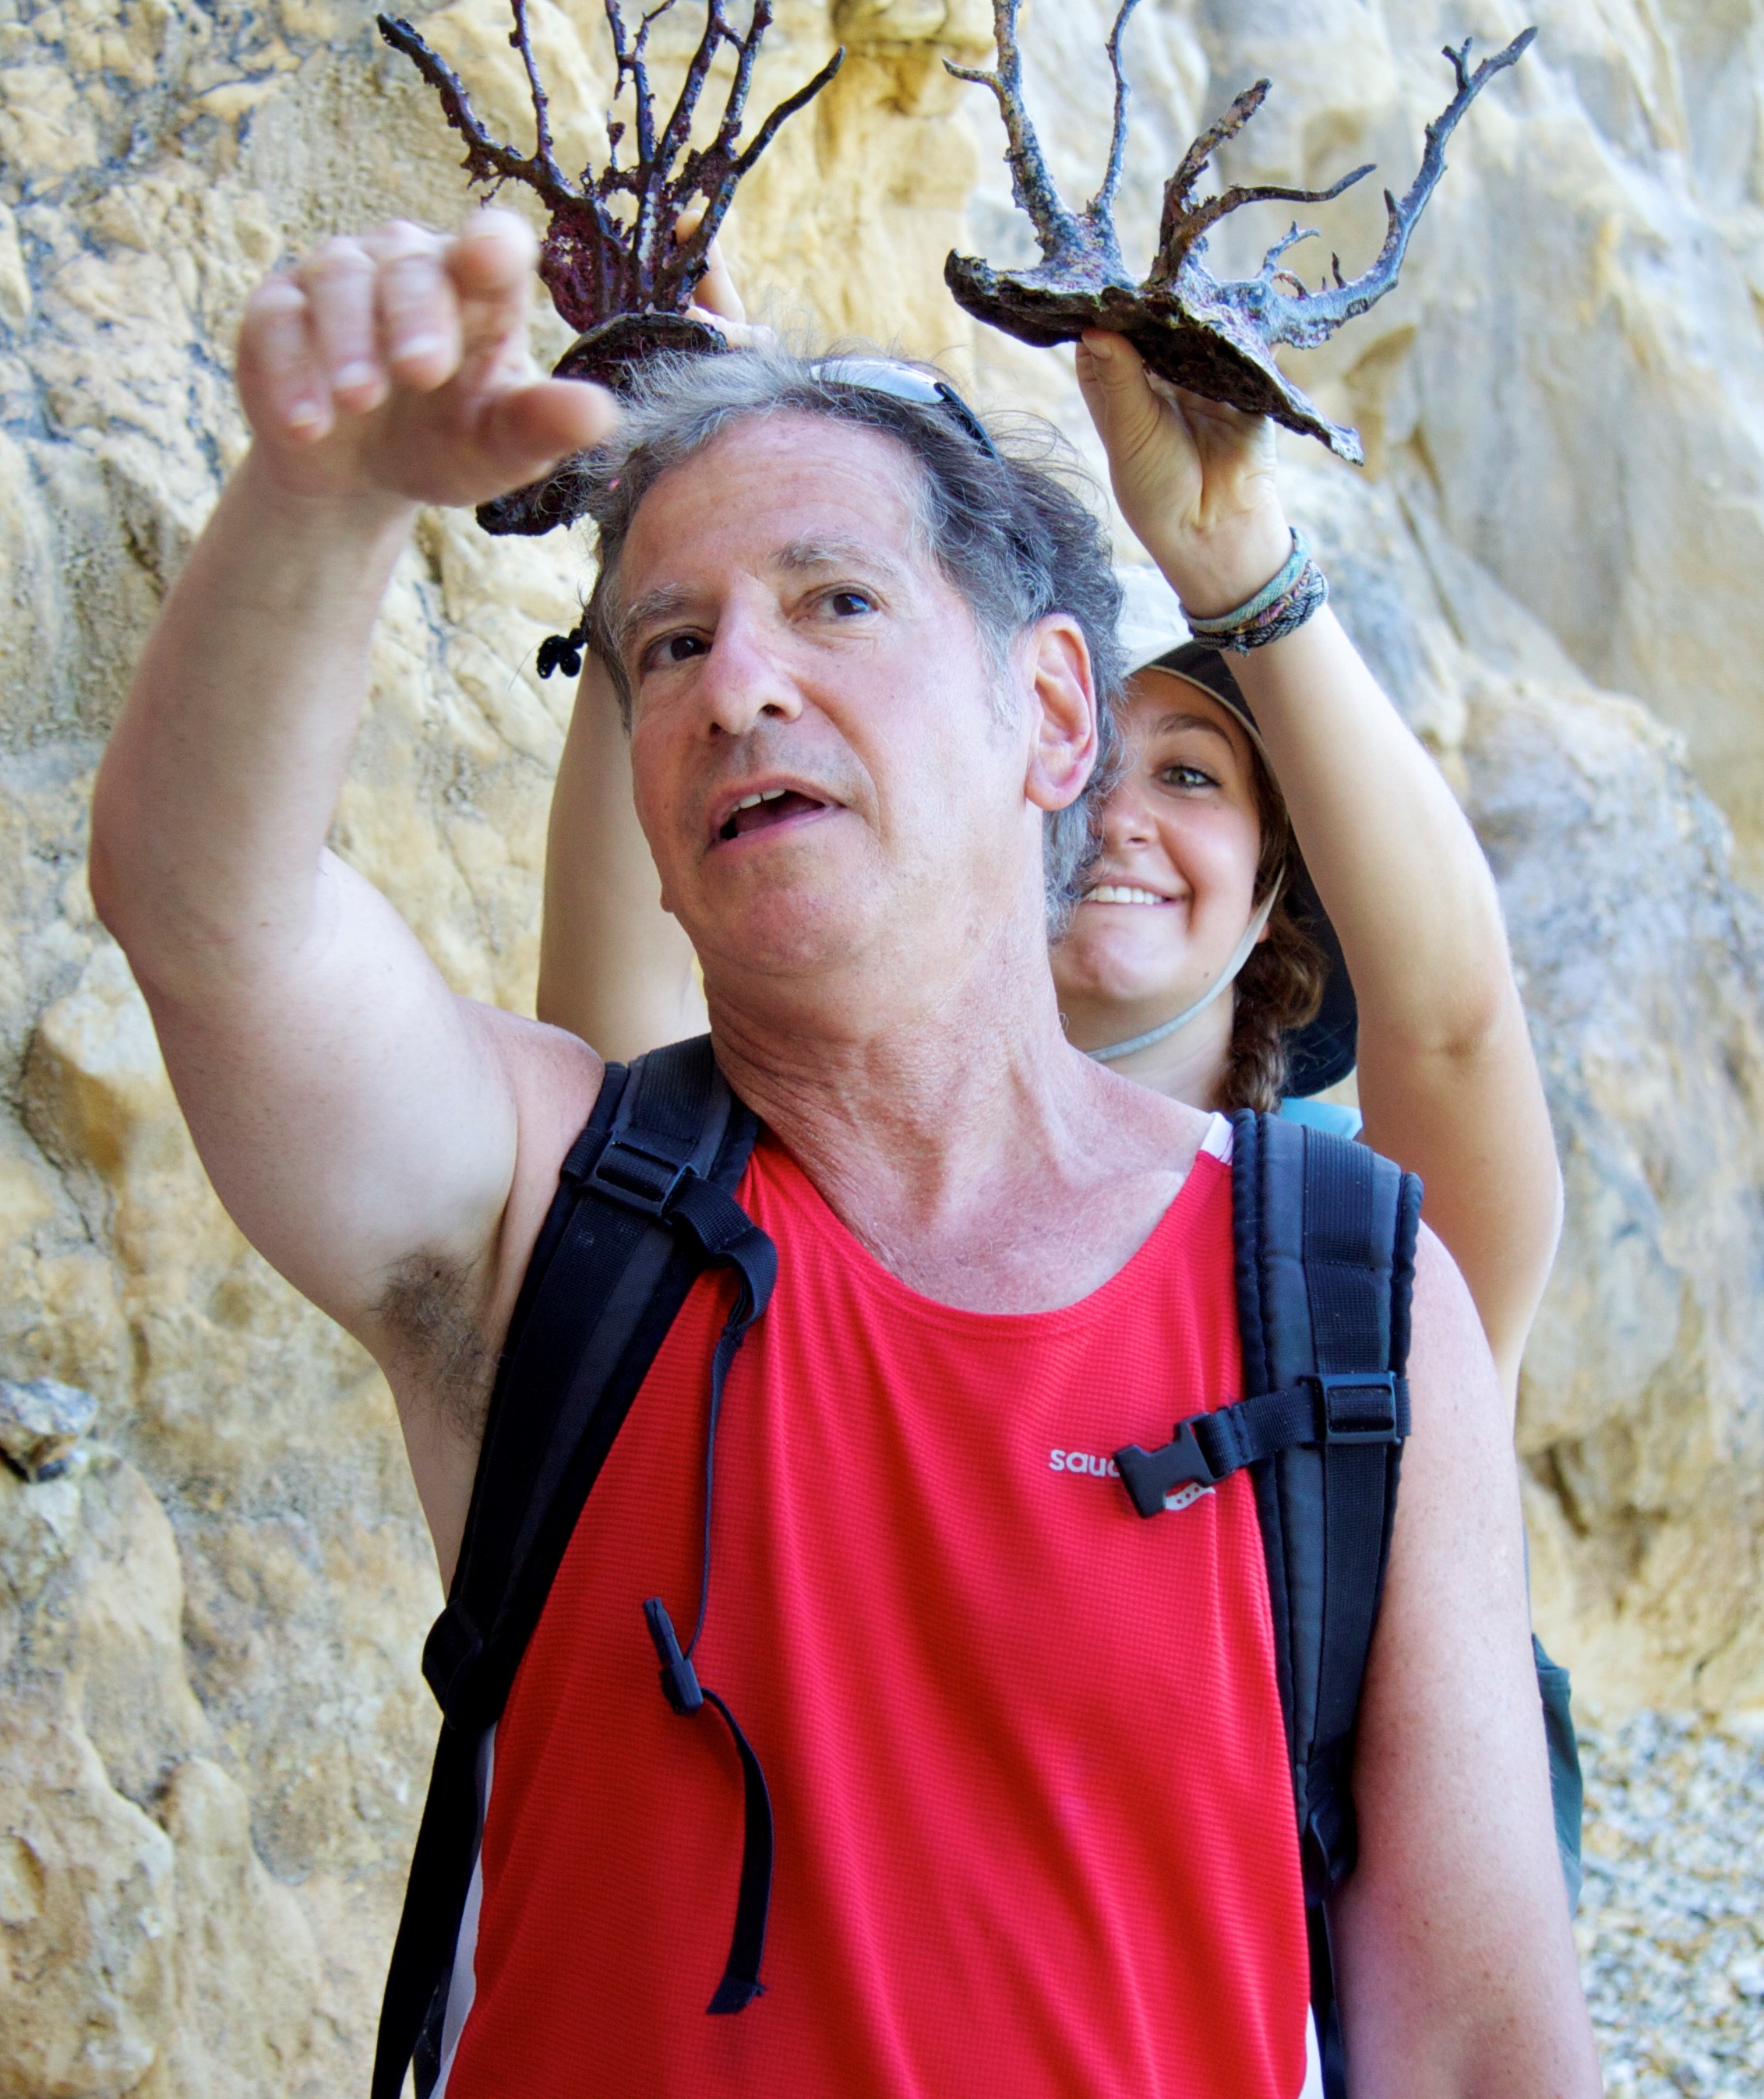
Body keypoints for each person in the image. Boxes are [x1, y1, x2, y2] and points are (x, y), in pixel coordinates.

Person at [90, 205, 1597, 2097]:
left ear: (1052, 712)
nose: (735, 684)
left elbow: (1473, 2055)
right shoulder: (559, 1214)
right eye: (667, 644)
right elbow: (210, 919)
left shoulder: (1342, 1301)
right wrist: (321, 500)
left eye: (835, 601)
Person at [541, 264, 1562, 1420]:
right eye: (1090, 760)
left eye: (1191, 774)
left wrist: (1238, 560)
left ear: (1278, 891)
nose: (1114, 813)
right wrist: (675, 515)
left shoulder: (1358, 1253)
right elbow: (611, 1006)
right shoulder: (739, 1182)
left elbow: (1455, 1033)